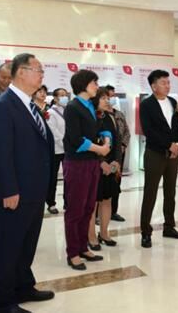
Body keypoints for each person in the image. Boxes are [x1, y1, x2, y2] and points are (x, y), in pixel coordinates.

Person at [0, 53, 55, 312]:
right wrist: (9, 190)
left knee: (26, 244)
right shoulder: (2, 106)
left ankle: (23, 286)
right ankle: (4, 303)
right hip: (14, 193)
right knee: (8, 248)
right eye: (38, 70)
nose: (42, 75)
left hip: (33, 191)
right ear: (21, 72)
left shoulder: (29, 105)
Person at [62, 70, 110, 271]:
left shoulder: (90, 105)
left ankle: (83, 247)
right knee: (75, 209)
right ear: (83, 84)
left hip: (92, 162)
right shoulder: (73, 107)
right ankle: (73, 252)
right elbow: (76, 139)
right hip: (77, 163)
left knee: (89, 207)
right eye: (94, 82)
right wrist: (100, 149)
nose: (97, 86)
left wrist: (106, 141)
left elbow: (101, 129)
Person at [139, 70, 178, 249]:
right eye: (163, 83)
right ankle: (146, 232)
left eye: (168, 82)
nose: (167, 85)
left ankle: (169, 226)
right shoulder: (147, 105)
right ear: (153, 86)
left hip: (172, 155)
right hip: (155, 153)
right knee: (150, 193)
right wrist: (169, 145)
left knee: (170, 191)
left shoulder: (172, 102)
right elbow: (149, 130)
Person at [87, 88, 121, 250]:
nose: (107, 101)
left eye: (108, 98)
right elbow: (89, 143)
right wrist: (101, 162)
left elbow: (117, 141)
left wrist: (116, 162)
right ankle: (91, 236)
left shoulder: (110, 117)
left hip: (111, 166)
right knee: (92, 203)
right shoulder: (89, 117)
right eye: (103, 98)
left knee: (107, 200)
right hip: (94, 165)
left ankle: (104, 233)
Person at [105, 85, 130, 222]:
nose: (112, 98)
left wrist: (123, 145)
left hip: (119, 153)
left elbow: (127, 131)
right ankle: (98, 214)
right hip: (105, 154)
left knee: (116, 182)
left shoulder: (119, 114)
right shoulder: (100, 115)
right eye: (109, 96)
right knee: (103, 183)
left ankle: (113, 211)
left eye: (113, 96)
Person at [45, 88, 68, 214]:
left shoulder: (68, 111)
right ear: (55, 98)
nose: (64, 97)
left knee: (68, 178)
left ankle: (67, 202)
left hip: (67, 151)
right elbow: (53, 132)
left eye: (65, 95)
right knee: (52, 178)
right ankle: (51, 203)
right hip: (55, 150)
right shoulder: (50, 113)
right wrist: (65, 144)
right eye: (61, 95)